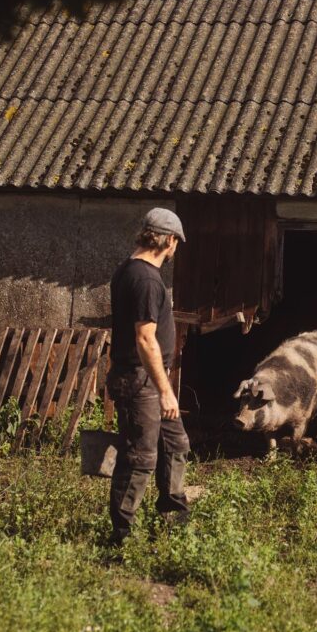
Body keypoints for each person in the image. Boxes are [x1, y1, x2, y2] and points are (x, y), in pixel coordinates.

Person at [107, 207, 190, 545]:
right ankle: (121, 535)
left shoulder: (130, 271)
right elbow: (144, 339)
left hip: (146, 379)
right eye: (176, 243)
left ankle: (173, 520)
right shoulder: (144, 279)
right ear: (168, 240)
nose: (176, 250)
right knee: (141, 456)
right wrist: (166, 390)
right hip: (143, 381)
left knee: (175, 443)